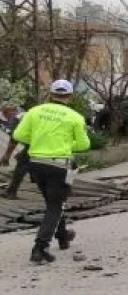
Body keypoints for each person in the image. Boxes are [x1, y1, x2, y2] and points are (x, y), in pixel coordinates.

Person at [12, 80, 90, 265]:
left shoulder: (34, 112)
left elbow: (18, 135)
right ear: (70, 96)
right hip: (59, 165)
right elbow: (84, 145)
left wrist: (39, 140)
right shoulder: (75, 117)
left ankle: (62, 236)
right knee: (55, 206)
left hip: (36, 163)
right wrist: (66, 144)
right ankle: (40, 248)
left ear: (50, 94)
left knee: (53, 203)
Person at [0, 102, 31, 198]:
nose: (6, 117)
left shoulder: (17, 118)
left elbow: (14, 139)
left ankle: (11, 192)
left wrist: (7, 156)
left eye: (6, 113)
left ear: (11, 111)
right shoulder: (26, 115)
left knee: (22, 161)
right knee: (24, 157)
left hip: (39, 143)